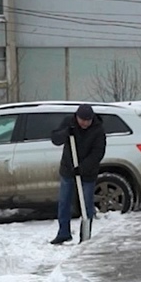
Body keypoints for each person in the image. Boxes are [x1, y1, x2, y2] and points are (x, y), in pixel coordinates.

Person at [49, 104, 106, 245]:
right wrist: (66, 132)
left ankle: (85, 236)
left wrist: (82, 168)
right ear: (77, 117)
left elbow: (98, 153)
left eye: (88, 120)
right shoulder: (69, 122)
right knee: (64, 202)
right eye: (82, 120)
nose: (85, 123)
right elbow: (55, 139)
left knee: (86, 205)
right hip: (68, 169)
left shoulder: (98, 130)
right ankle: (64, 233)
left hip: (88, 173)